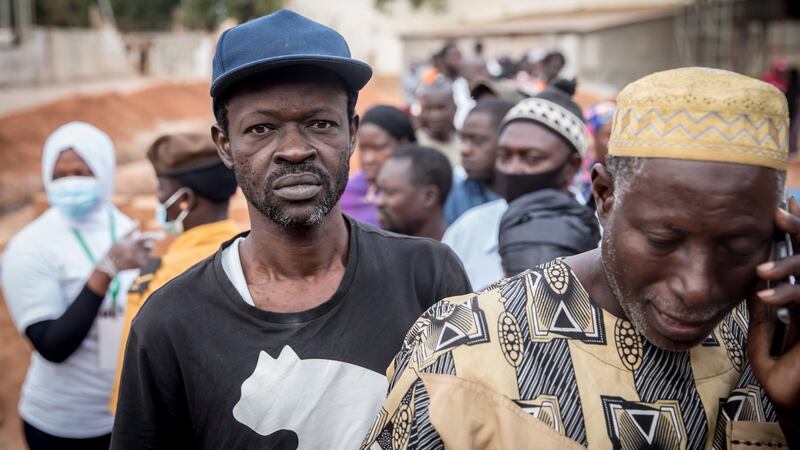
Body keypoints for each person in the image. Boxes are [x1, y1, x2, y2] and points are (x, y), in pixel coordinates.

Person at [361, 67, 800, 449]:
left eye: (738, 248)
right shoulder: (463, 347)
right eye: (663, 241)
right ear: (604, 197)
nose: (698, 286)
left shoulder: (772, 336)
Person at [111, 10, 471, 449]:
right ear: (225, 145)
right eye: (261, 128)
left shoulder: (427, 276)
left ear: (351, 133)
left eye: (320, 123)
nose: (296, 150)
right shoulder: (170, 324)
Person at [1, 122, 154, 450]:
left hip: (126, 416)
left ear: (105, 172)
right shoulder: (30, 247)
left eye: (83, 172)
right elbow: (52, 345)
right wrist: (105, 270)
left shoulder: (126, 229)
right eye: (61, 174)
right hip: (63, 425)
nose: (71, 183)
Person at [108, 132, 240, 413]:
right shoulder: (245, 251)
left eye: (160, 190)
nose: (158, 199)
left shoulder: (169, 278)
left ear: (184, 201)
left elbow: (137, 382)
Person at [443, 79, 587, 290]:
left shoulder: (603, 238)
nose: (513, 169)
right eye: (504, 156)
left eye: (532, 158)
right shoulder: (467, 231)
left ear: (571, 166)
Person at [340, 105, 416, 227]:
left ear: (404, 145)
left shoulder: (419, 192)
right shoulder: (345, 193)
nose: (368, 159)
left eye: (378, 148)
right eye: (363, 149)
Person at [444, 98, 513, 224]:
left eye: (477, 140)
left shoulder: (526, 198)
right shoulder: (455, 196)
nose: (464, 150)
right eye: (463, 139)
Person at [374, 145, 452, 241]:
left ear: (429, 197)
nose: (379, 201)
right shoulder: (376, 251)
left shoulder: (461, 251)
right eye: (378, 191)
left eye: (389, 192)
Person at [416, 79, 461, 167]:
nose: (434, 116)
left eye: (441, 108)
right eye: (428, 109)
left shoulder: (464, 142)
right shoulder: (416, 142)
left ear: (455, 109)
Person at [578, 101, 616, 202]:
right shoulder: (574, 175)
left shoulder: (623, 177)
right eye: (609, 135)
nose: (616, 142)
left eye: (618, 135)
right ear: (592, 137)